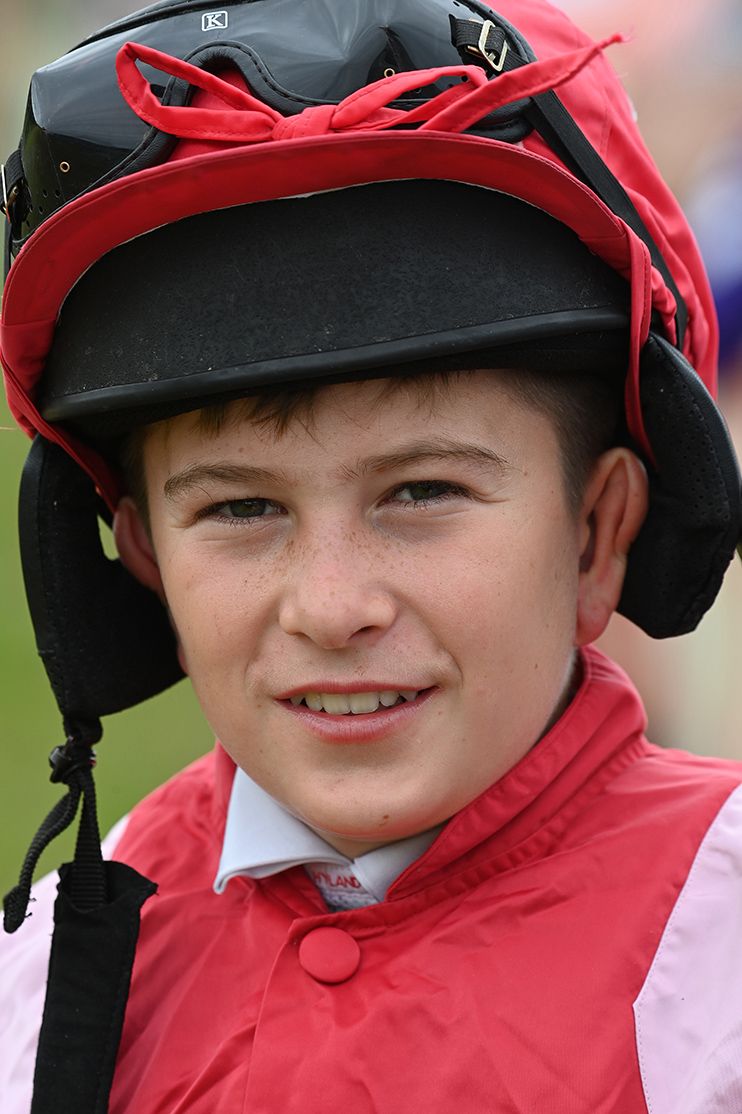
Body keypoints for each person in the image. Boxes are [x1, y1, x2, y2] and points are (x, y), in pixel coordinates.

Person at [1, 1, 741, 1111]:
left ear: (596, 533)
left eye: (422, 491)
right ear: (138, 553)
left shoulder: (720, 942)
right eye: (242, 509)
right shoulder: (47, 979)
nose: (330, 605)